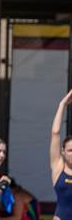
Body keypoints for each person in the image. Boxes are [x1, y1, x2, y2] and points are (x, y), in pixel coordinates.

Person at [50, 89, 72, 220]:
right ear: (63, 152)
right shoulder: (58, 168)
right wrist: (62, 104)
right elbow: (55, 133)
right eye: (70, 150)